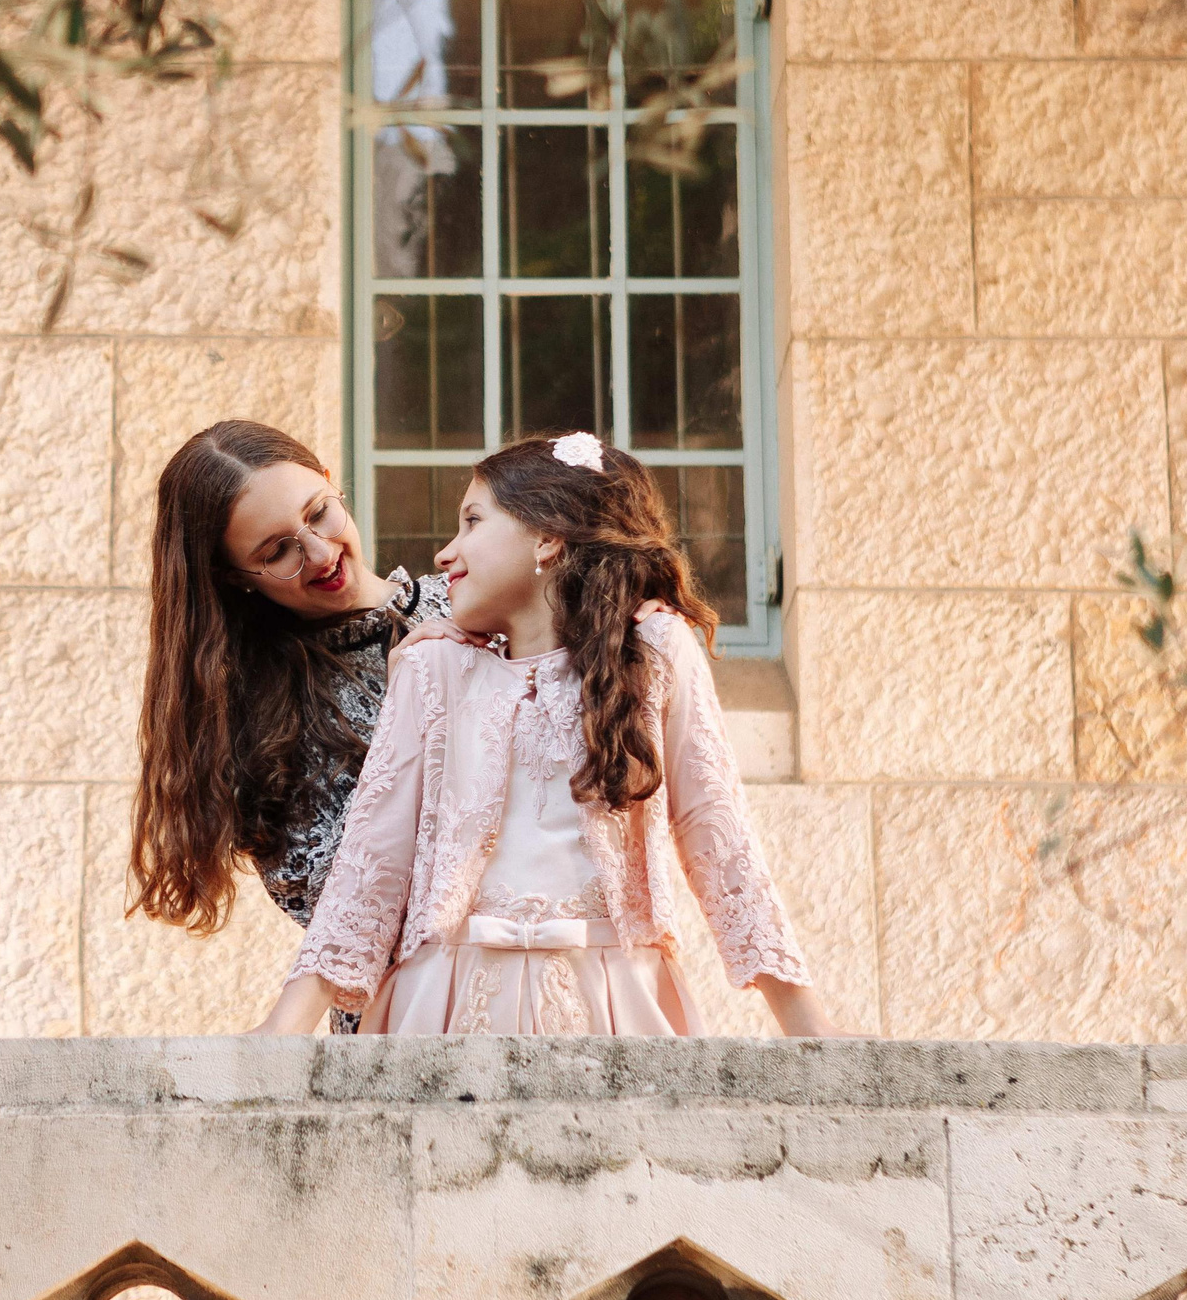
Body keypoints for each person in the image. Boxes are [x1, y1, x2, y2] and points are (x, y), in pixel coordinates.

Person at [249, 432, 840, 1037]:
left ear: (548, 536)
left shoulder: (656, 652)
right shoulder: (430, 669)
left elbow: (720, 839)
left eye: (472, 521)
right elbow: (369, 865)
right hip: (445, 1000)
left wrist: (808, 1025)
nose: (445, 554)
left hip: (614, 998)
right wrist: (283, 1030)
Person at [133, 421, 482, 1030]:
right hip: (404, 1015)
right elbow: (342, 897)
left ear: (331, 484)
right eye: (276, 551)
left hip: (550, 971)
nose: (320, 553)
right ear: (235, 578)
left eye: (319, 514)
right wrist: (410, 720)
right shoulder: (259, 716)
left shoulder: (478, 597)